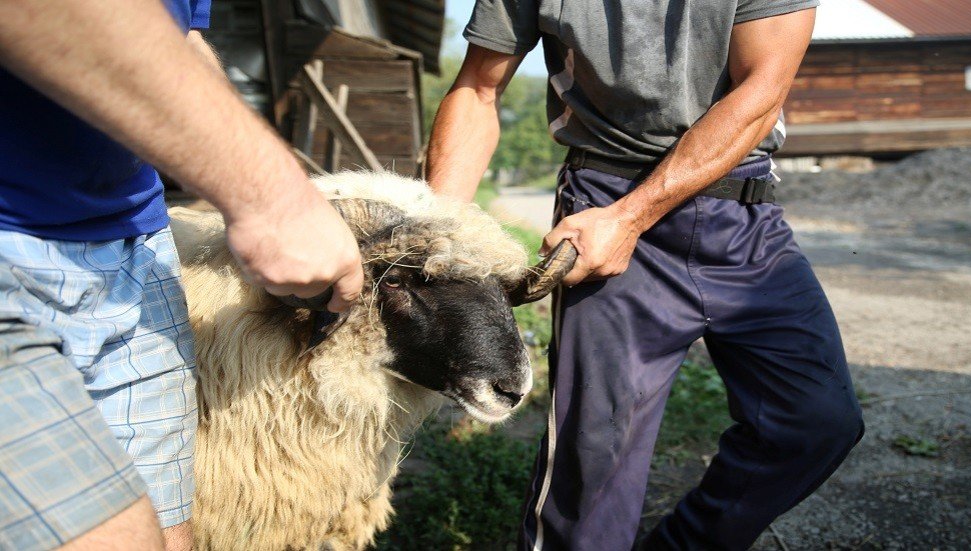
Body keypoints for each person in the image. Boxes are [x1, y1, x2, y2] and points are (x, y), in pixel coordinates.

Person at [426, 1, 864, 549]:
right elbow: (477, 90)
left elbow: (761, 90)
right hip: (604, 194)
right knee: (594, 458)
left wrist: (631, 218)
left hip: (740, 216)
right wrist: (436, 240)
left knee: (816, 421)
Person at [0, 1, 363, 549]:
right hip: (11, 243)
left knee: (172, 531)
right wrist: (269, 194)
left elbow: (182, 40)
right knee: (112, 536)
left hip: (135, 244)